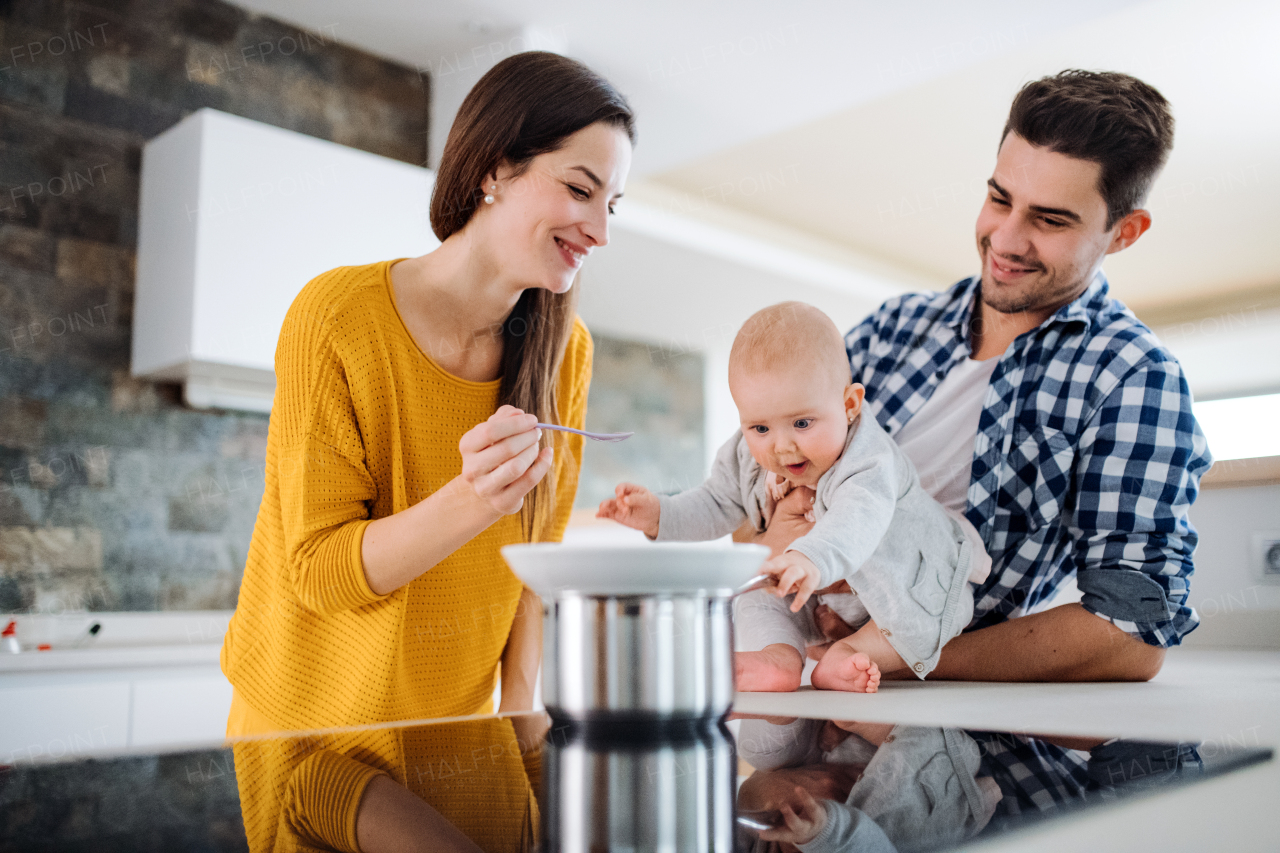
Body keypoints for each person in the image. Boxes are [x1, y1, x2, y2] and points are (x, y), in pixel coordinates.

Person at [219, 51, 634, 853]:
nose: (602, 229)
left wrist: (524, 712)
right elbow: (318, 570)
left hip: (456, 730)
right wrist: (471, 498)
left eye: (614, 202)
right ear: (493, 168)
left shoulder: (563, 352)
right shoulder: (337, 318)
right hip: (316, 738)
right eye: (581, 190)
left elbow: (534, 561)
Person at [748, 70, 1211, 683]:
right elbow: (751, 494)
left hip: (941, 720)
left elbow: (1129, 632)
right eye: (999, 198)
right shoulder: (894, 327)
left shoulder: (1131, 377)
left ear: (1124, 232)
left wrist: (885, 662)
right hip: (799, 671)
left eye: (1049, 220)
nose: (1006, 238)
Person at [597, 302, 991, 693]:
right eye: (760, 427)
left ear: (849, 405)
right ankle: (779, 658)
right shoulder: (744, 456)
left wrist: (809, 557)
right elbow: (716, 503)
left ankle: (849, 653)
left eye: (802, 423)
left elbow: (857, 519)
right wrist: (660, 514)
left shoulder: (870, 459)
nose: (782, 448)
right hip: (822, 591)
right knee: (757, 594)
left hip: (907, 582)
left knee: (911, 621)